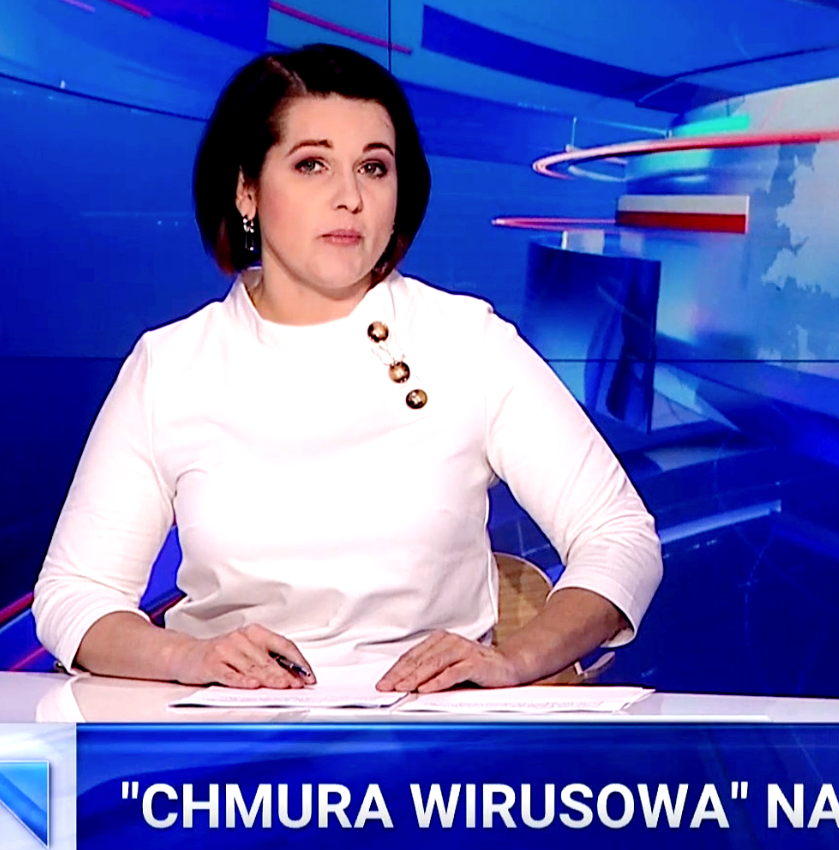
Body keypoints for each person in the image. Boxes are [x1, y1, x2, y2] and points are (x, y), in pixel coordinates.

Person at [31, 44, 662, 693]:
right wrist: (187, 658)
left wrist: (520, 659)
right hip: (225, 732)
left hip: (435, 730)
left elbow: (619, 536)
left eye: (373, 168)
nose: (350, 198)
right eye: (312, 165)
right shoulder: (171, 366)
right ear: (247, 189)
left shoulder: (466, 342)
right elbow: (75, 593)